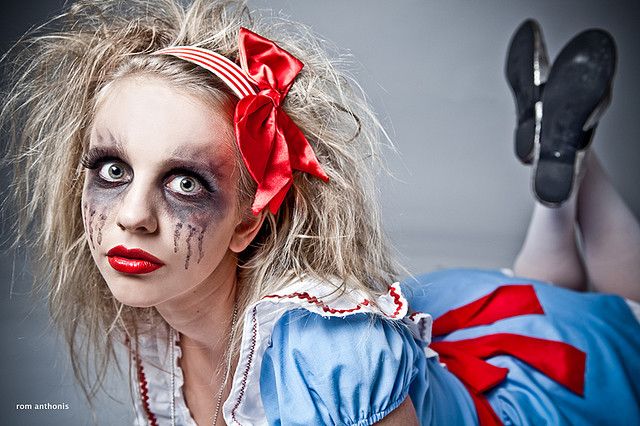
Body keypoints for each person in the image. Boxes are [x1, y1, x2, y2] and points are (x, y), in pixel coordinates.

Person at [1, 1, 638, 425]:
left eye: (186, 183)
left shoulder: (337, 355)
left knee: (622, 323)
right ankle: (564, 173)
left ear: (249, 220)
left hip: (507, 391)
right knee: (547, 291)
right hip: (463, 312)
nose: (132, 216)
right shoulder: (158, 317)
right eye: (112, 171)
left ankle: (565, 178)